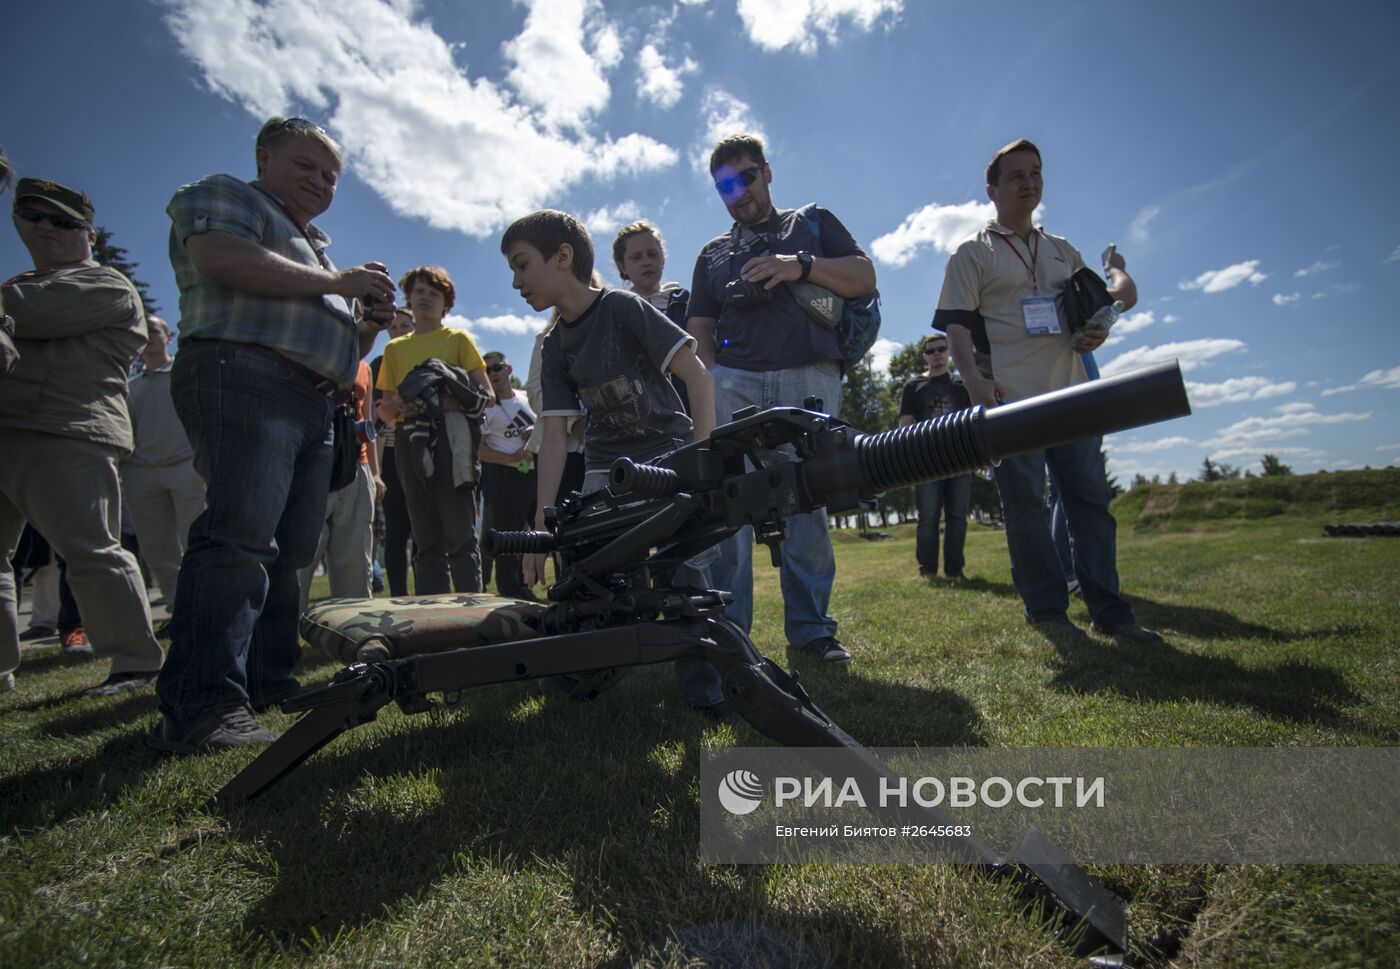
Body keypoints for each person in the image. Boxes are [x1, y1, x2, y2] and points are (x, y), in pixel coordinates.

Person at [150, 116, 398, 754]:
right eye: (305, 166)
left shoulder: (316, 249)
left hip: (314, 402)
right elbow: (221, 257)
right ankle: (201, 704)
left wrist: (364, 323)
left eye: (330, 175)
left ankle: (267, 682)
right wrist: (341, 284)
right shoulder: (230, 195)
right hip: (245, 374)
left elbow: (342, 346)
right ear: (264, 156)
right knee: (238, 538)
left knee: (290, 556)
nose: (319, 182)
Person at [933, 138, 1159, 641]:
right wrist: (975, 383)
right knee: (1027, 510)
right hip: (1011, 404)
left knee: (1090, 507)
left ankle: (1112, 615)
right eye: (1016, 176)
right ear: (991, 189)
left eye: (1035, 173)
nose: (1028, 182)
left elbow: (1107, 304)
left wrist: (1099, 327)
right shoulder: (973, 253)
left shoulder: (1062, 251)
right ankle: (1048, 613)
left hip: (1073, 396)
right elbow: (957, 328)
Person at [502, 209, 723, 712]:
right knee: (588, 570)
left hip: (667, 454)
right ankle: (583, 672)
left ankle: (704, 689)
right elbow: (554, 436)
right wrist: (543, 524)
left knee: (682, 572)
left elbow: (699, 379)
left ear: (562, 258)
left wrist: (703, 463)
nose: (516, 282)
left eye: (521, 266)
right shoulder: (555, 344)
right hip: (606, 469)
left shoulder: (624, 308)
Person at [686, 133, 877, 664]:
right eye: (725, 184)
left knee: (806, 505)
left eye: (746, 176)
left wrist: (801, 266)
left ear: (767, 173)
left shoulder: (812, 223)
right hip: (733, 383)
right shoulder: (713, 253)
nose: (739, 191)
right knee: (727, 510)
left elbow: (864, 278)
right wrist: (707, 380)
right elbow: (699, 324)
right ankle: (731, 640)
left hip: (808, 379)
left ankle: (813, 633)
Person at [1, 177, 165, 695]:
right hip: (9, 426)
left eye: (64, 221)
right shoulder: (18, 286)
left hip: (68, 431)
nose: (46, 227)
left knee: (91, 550)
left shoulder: (105, 285)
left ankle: (135, 661)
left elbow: (32, 312)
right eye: (33, 215)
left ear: (88, 235)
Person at [375, 266, 494, 594]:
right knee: (424, 536)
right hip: (409, 439)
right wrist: (408, 401)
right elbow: (384, 411)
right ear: (408, 300)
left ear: (447, 302)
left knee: (460, 533)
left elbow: (487, 395)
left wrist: (439, 400)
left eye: (434, 292)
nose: (425, 296)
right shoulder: (394, 350)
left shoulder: (457, 339)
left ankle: (470, 614)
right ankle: (434, 622)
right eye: (419, 291)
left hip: (452, 437)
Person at [122, 314, 206, 622]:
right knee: (157, 550)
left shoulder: (185, 372)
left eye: (154, 330)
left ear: (168, 336)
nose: (148, 336)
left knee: (195, 541)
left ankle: (201, 609)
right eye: (142, 331)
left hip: (187, 467)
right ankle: (178, 611)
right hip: (141, 472)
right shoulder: (130, 387)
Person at [297, 357, 384, 614]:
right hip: (310, 463)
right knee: (301, 559)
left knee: (356, 558)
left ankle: (354, 631)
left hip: (356, 465)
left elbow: (367, 422)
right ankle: (284, 637)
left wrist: (375, 473)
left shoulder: (364, 367)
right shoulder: (307, 352)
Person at [897, 332, 972, 579]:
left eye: (941, 349)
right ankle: (927, 569)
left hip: (961, 459)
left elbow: (973, 422)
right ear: (924, 356)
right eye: (931, 351)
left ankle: (955, 570)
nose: (936, 355)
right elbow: (905, 426)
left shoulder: (962, 385)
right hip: (926, 461)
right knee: (928, 516)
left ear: (948, 351)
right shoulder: (913, 386)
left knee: (957, 516)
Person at [613, 220, 692, 413]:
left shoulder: (684, 302)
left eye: (652, 254)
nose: (646, 262)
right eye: (636, 257)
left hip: (689, 406)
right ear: (623, 266)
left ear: (663, 258)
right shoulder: (615, 313)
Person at [477, 351, 537, 599]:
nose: (493, 374)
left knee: (537, 533)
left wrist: (534, 429)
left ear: (509, 369)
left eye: (497, 368)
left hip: (535, 474)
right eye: (487, 370)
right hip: (504, 478)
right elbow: (479, 450)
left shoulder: (526, 398)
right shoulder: (485, 408)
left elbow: (544, 423)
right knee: (508, 536)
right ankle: (510, 590)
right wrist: (511, 458)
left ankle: (527, 586)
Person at [370, 308, 414, 596]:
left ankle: (429, 593)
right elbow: (374, 417)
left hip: (427, 451)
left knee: (425, 530)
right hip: (391, 453)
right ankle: (399, 597)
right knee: (396, 532)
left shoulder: (424, 358)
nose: (397, 330)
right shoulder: (378, 364)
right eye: (393, 326)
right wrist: (377, 472)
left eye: (404, 325)